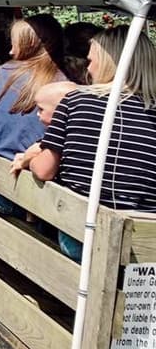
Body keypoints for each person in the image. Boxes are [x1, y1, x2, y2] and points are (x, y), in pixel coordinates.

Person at [20, 27, 156, 260]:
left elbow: (44, 170)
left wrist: (30, 158)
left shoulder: (76, 101)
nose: (88, 67)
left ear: (108, 63)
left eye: (91, 60)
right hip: (147, 245)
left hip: (82, 235)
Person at [0, 14, 66, 216]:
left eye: (15, 44)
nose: (10, 51)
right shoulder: (64, 84)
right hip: (44, 197)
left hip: (1, 186)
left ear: (28, 45)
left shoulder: (3, 72)